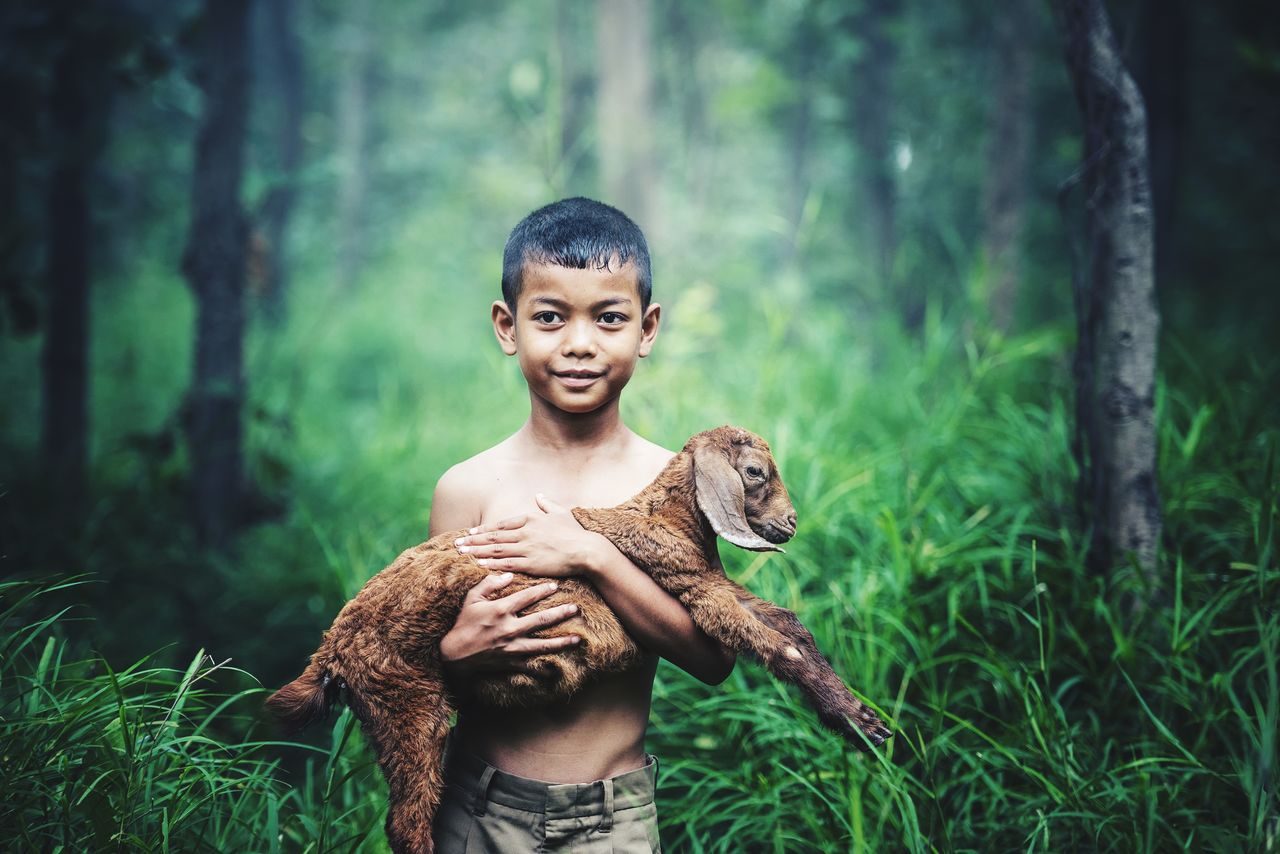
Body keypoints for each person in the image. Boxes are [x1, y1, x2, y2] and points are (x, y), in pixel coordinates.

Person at [427, 197, 735, 852]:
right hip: (474, 808)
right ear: (507, 327)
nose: (579, 343)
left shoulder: (673, 486)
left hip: (613, 819)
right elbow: (421, 673)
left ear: (646, 329)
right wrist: (457, 653)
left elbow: (714, 657)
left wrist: (594, 556)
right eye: (549, 317)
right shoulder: (468, 488)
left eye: (609, 318)